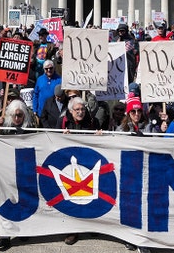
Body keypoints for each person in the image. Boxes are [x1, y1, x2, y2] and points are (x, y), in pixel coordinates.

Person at [0, 99, 37, 249]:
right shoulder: (4, 128)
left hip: (24, 170)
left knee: (25, 201)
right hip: (6, 171)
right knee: (4, 200)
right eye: (14, 115)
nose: (17, 118)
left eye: (20, 115)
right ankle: (4, 236)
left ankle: (23, 230)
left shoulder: (30, 129)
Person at [56, 96, 101, 245]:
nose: (80, 112)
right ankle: (72, 230)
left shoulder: (93, 121)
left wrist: (99, 137)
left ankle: (90, 225)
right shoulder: (63, 121)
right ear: (70, 110)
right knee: (72, 197)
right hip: (69, 164)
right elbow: (52, 140)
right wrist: (62, 137)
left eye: (82, 109)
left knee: (90, 196)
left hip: (87, 163)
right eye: (77, 110)